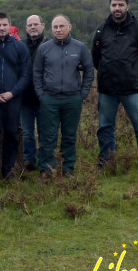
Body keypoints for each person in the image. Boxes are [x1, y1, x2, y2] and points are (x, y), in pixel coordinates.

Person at [92, 0, 138, 175]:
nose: (117, 8)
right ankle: (106, 160)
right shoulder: (102, 29)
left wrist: (136, 74)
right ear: (110, 6)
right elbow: (95, 58)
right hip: (107, 90)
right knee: (105, 127)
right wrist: (106, 74)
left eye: (121, 5)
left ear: (127, 6)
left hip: (133, 89)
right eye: (114, 5)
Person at [33, 15, 94, 179]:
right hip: (49, 99)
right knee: (48, 136)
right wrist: (41, 94)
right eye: (55, 27)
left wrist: (83, 93)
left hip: (72, 98)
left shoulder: (79, 47)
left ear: (70, 27)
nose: (58, 30)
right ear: (51, 29)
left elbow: (89, 70)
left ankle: (68, 169)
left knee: (69, 134)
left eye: (61, 26)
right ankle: (46, 170)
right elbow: (37, 72)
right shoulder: (44, 48)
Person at [0, 12, 32, 179]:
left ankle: (9, 169)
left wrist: (13, 92)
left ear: (9, 25)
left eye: (5, 25)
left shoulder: (19, 47)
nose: (2, 28)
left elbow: (26, 74)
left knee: (11, 133)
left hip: (13, 99)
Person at [20, 15, 47, 171]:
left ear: (42, 25)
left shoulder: (50, 44)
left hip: (44, 98)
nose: (33, 27)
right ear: (26, 28)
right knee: (27, 133)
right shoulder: (21, 46)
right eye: (30, 25)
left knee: (44, 132)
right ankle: (29, 161)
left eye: (36, 24)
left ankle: (45, 160)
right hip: (26, 98)